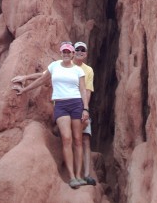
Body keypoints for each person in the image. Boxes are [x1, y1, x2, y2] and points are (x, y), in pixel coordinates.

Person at [11, 42, 89, 189]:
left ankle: (79, 175)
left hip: (76, 104)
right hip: (60, 105)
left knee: (78, 139)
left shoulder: (78, 71)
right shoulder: (54, 66)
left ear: (72, 54)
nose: (66, 54)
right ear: (61, 53)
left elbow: (83, 90)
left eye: (68, 52)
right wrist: (25, 88)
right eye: (64, 52)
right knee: (66, 138)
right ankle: (72, 177)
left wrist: (86, 109)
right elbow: (42, 79)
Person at [73, 41, 96, 186]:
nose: (80, 52)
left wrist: (85, 109)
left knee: (86, 138)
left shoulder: (88, 70)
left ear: (86, 53)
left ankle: (86, 174)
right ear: (73, 51)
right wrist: (25, 79)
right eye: (77, 49)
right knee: (73, 139)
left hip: (82, 108)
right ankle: (75, 173)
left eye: (83, 50)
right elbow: (47, 73)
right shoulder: (67, 65)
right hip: (67, 106)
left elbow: (87, 91)